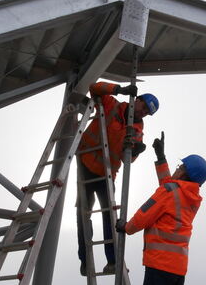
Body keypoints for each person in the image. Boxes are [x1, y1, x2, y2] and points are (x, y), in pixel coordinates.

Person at [77, 81, 159, 276]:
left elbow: (126, 158)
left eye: (148, 112)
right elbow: (94, 87)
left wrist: (136, 150)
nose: (144, 112)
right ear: (137, 100)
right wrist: (119, 89)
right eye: (144, 107)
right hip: (86, 163)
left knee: (110, 216)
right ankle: (85, 261)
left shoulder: (137, 129)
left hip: (106, 173)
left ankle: (112, 261)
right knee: (83, 214)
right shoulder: (112, 104)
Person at [116, 132, 206, 285]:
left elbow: (143, 216)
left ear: (185, 173)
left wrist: (126, 227)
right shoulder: (191, 198)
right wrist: (161, 157)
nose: (177, 168)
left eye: (180, 166)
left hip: (160, 265)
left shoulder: (169, 192)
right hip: (178, 269)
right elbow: (169, 186)